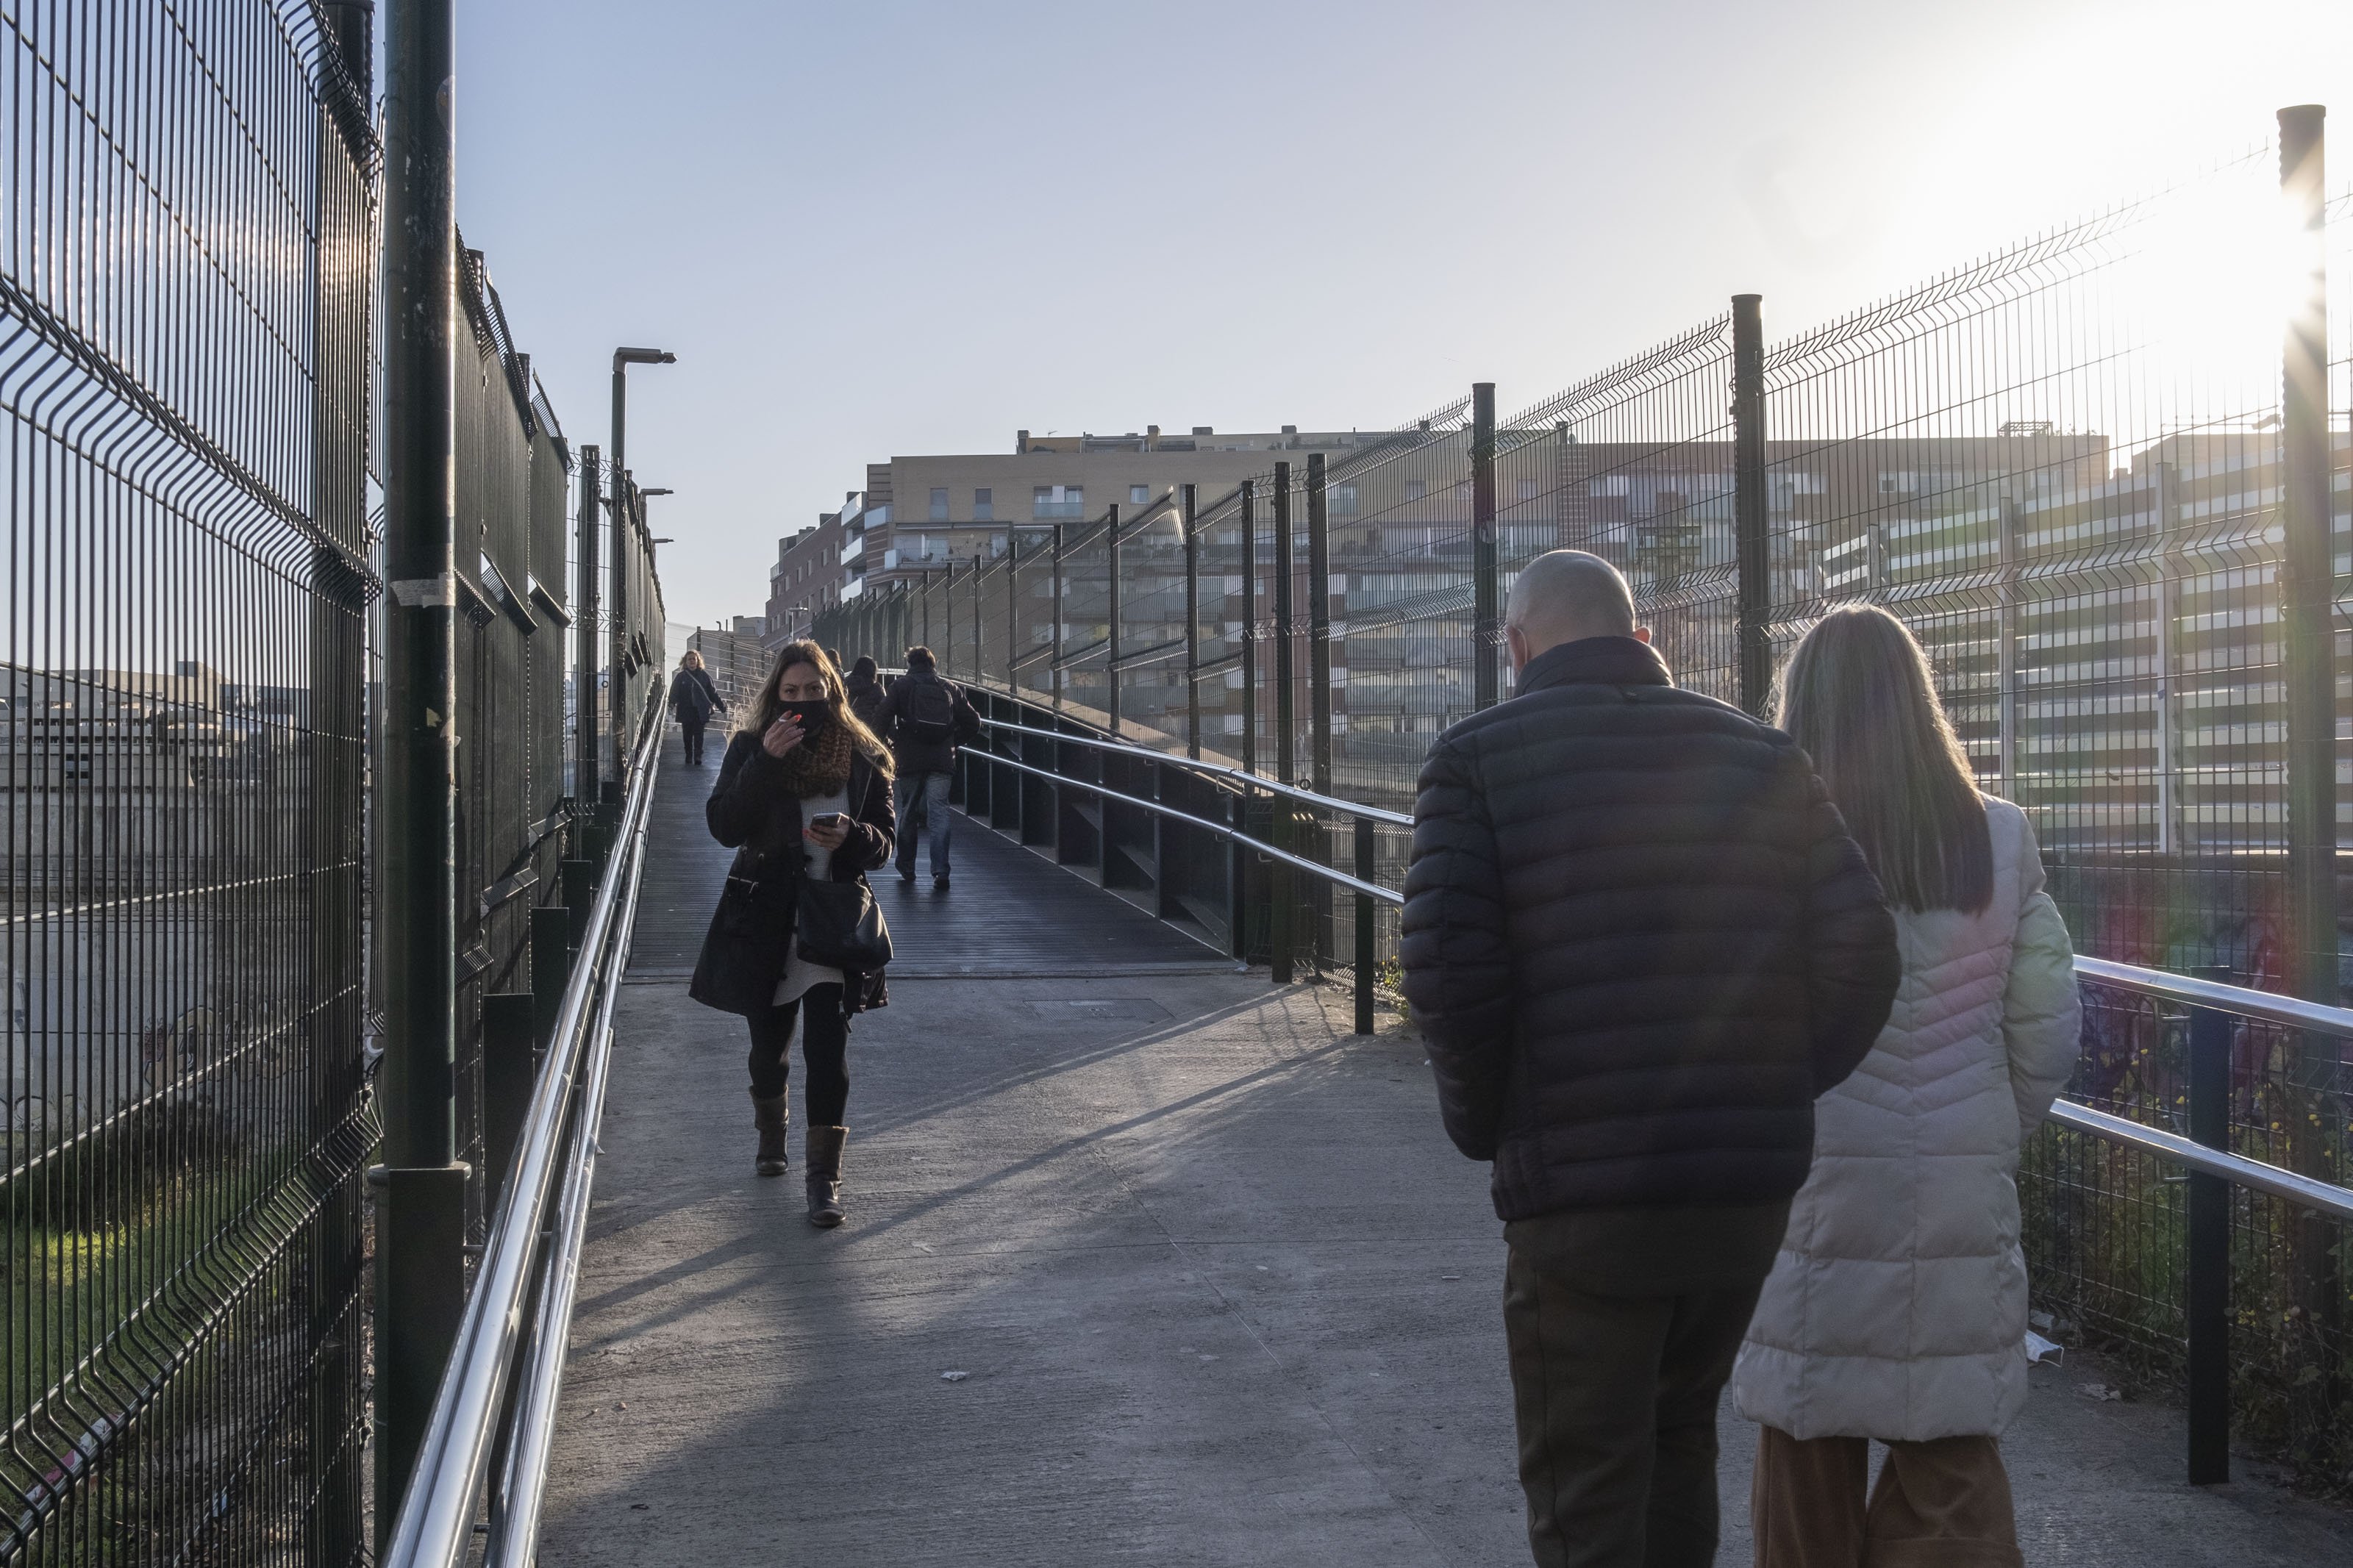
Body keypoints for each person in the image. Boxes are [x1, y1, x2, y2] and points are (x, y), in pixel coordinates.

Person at [1400, 550, 1901, 1568]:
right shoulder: (1762, 756)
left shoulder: (1476, 760)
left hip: (1582, 1203)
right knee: (1680, 1441)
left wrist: (1491, 1121)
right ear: (1642, 639)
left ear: (1517, 645)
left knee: (1586, 1485)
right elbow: (1864, 954)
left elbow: (1449, 970)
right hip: (1737, 1199)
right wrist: (1768, 1089)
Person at [1730, 605, 2080, 1568]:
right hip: (1958, 1190)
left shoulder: (1769, 842)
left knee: (1806, 1442)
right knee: (1952, 1445)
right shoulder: (1999, 841)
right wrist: (1988, 1129)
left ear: (1800, 707)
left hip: (1815, 1185)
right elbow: (2048, 1026)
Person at [688, 640, 896, 1226]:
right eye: (791, 693)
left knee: (828, 1051)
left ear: (832, 690)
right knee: (768, 1051)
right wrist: (766, 763)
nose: (803, 702)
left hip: (832, 923)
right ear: (775, 696)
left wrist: (852, 835)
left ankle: (823, 1182)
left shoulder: (862, 752)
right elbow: (724, 825)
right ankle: (770, 1133)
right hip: (766, 922)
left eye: (813, 691)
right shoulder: (752, 746)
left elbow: (885, 843)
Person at [874, 645, 981, 889]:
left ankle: (907, 866)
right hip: (942, 760)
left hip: (910, 759)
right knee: (940, 813)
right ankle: (941, 870)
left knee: (909, 811)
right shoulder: (949, 688)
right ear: (933, 664)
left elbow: (881, 718)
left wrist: (883, 748)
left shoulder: (900, 686)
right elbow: (974, 721)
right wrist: (954, 741)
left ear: (910, 664)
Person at [671, 648, 726, 766]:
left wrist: (722, 706)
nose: (692, 661)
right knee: (687, 735)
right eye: (689, 659)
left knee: (699, 734)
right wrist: (671, 703)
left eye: (694, 659)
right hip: (686, 710)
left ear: (698, 661)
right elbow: (674, 692)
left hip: (700, 711)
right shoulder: (681, 677)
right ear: (685, 662)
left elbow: (713, 693)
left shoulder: (704, 676)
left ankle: (698, 756)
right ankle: (689, 755)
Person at [845, 654, 886, 731]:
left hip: (847, 728)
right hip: (868, 730)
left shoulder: (844, 684)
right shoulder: (877, 688)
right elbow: (885, 711)